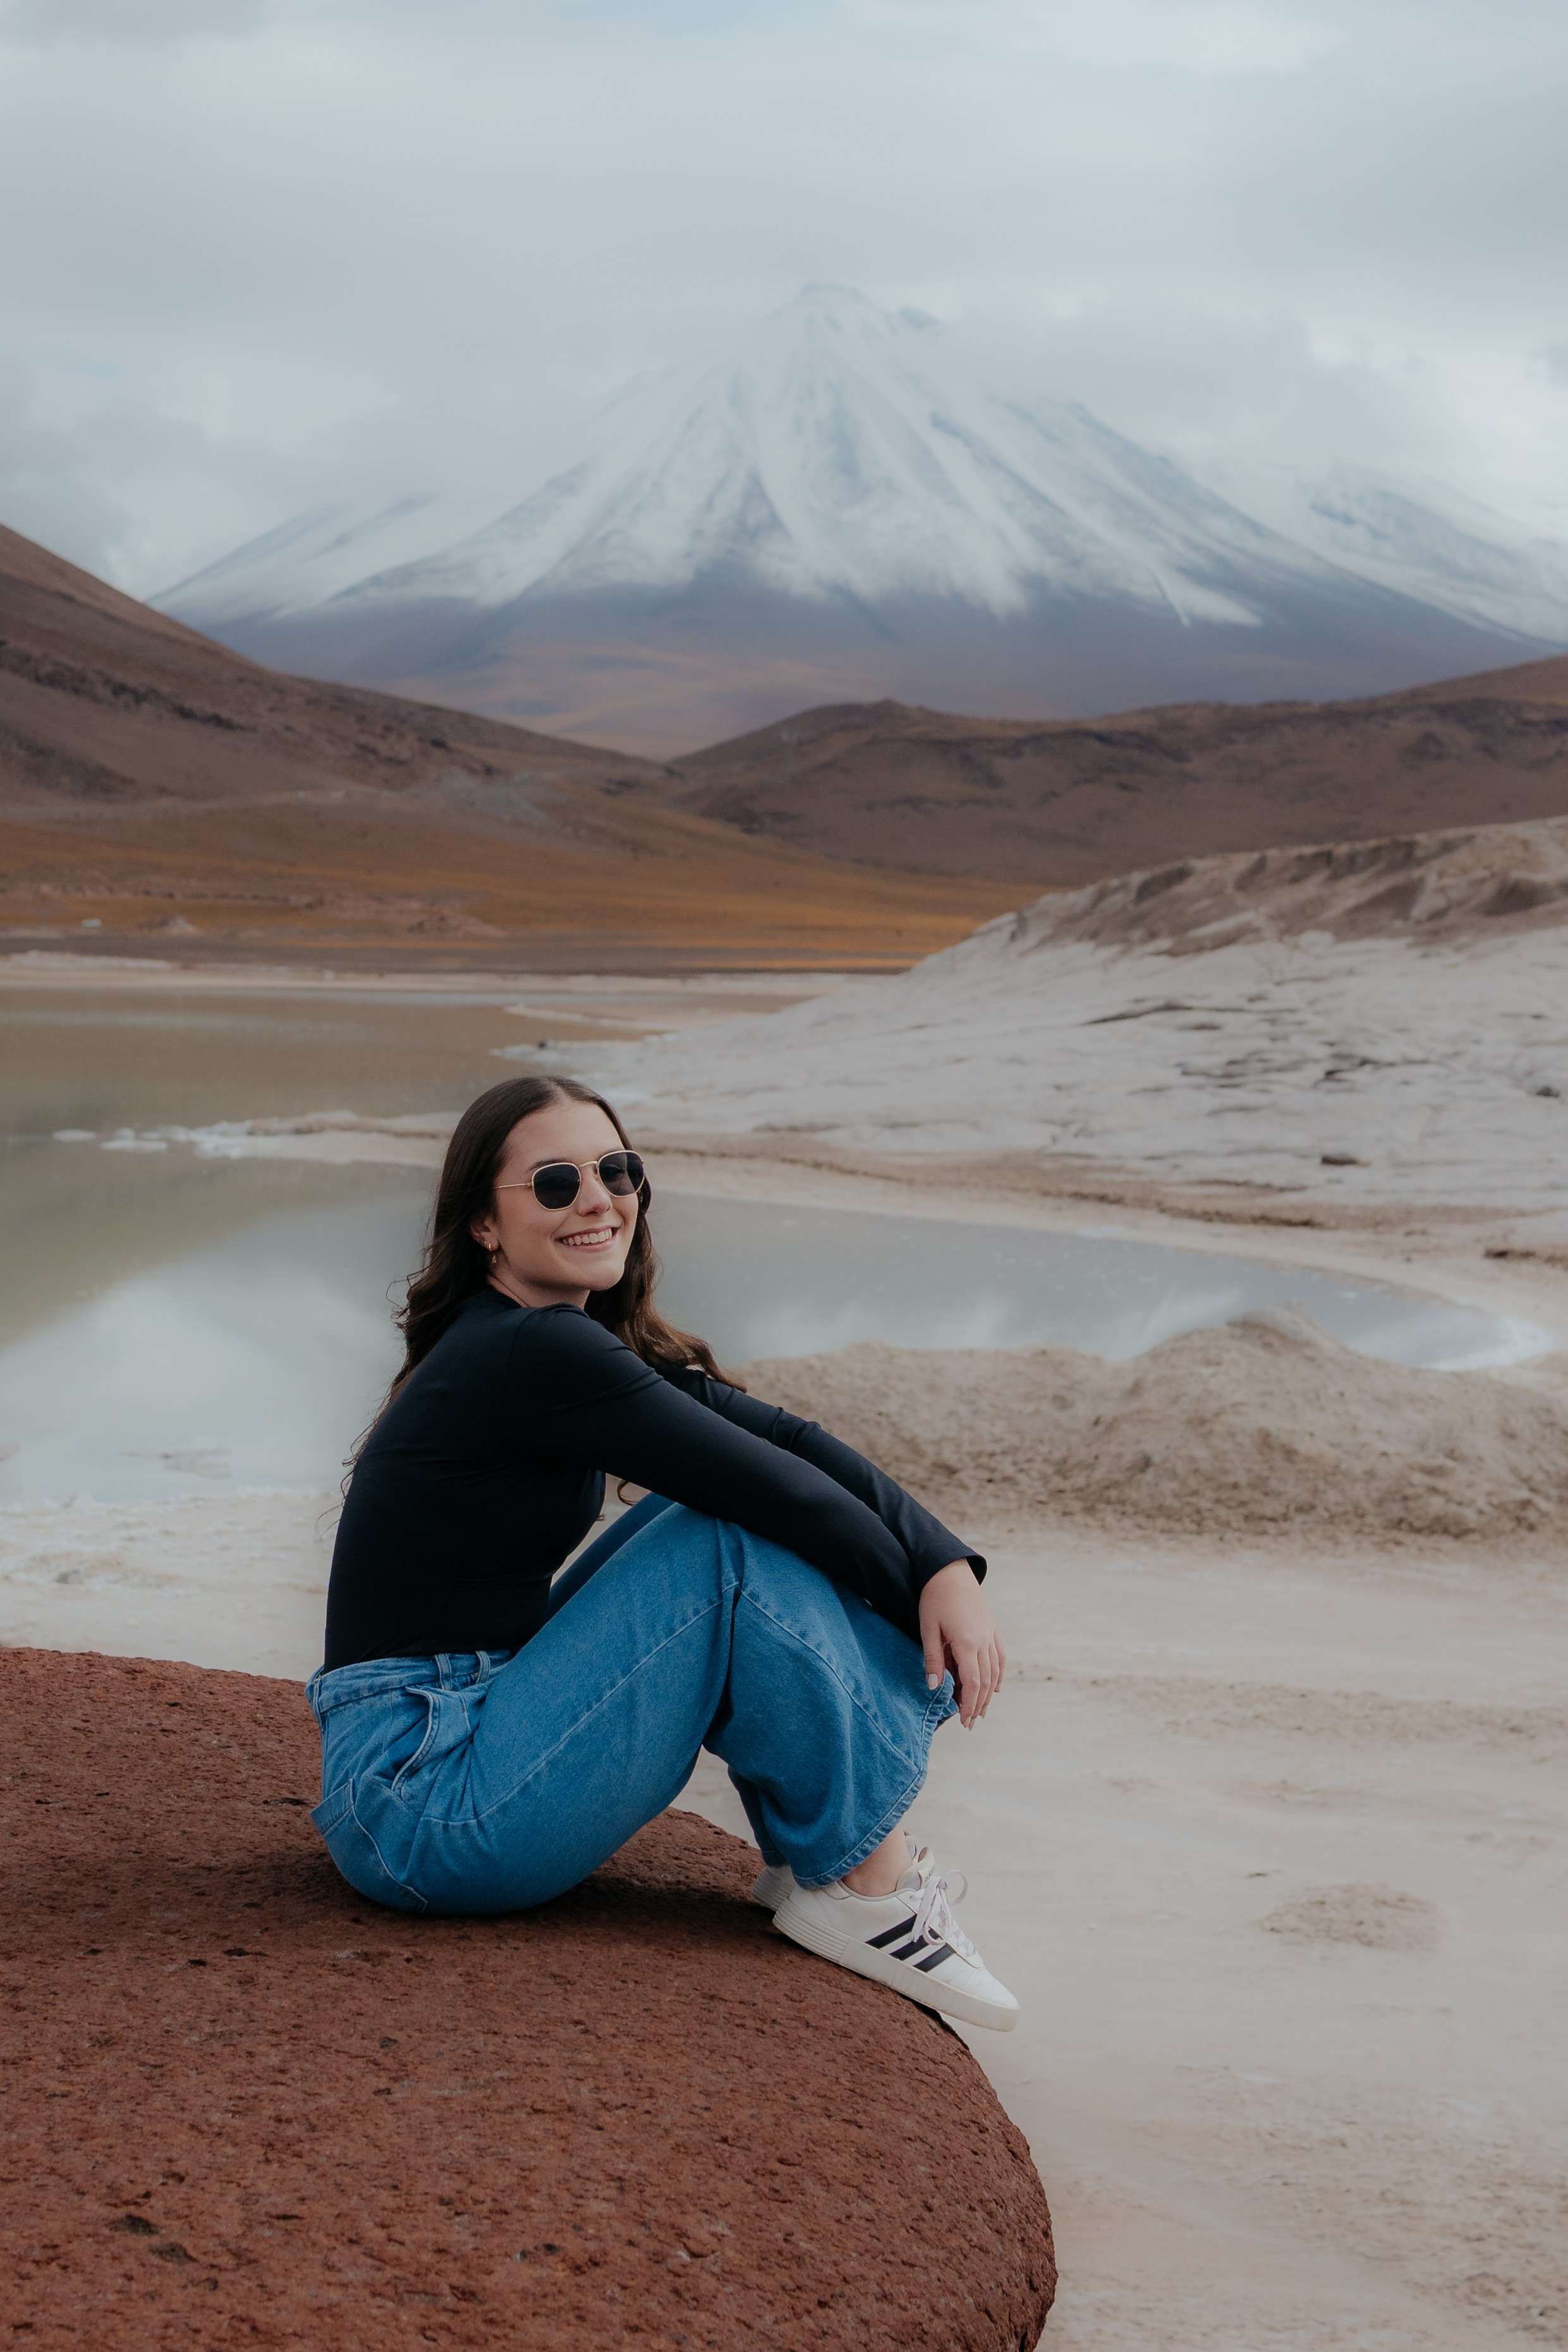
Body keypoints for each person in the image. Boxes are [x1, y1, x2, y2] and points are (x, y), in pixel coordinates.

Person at [307, 1074, 1018, 2031]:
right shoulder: (530, 1352)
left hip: (446, 1743)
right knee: (718, 1539)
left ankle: (826, 1856)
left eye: (617, 1169)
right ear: (483, 1223)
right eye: (556, 1183)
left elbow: (791, 1443)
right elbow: (774, 1490)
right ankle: (863, 1881)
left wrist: (944, 1565)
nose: (599, 1198)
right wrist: (914, 1606)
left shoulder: (556, 1341)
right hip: (425, 1799)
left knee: (712, 1526)